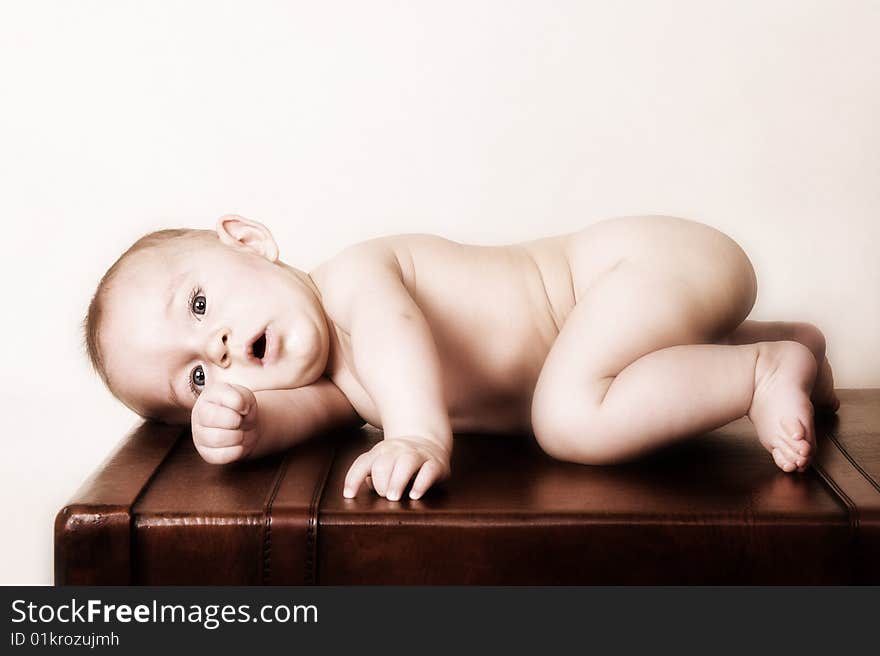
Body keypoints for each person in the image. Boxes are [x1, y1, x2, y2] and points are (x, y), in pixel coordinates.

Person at [84, 214, 838, 501]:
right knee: (592, 390)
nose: (215, 349)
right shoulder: (339, 388)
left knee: (568, 416)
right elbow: (296, 416)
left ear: (249, 243)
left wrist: (418, 434)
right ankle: (781, 350)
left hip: (645, 262)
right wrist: (240, 425)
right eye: (195, 377)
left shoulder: (355, 278)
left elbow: (396, 333)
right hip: (647, 320)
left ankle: (759, 369)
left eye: (200, 305)